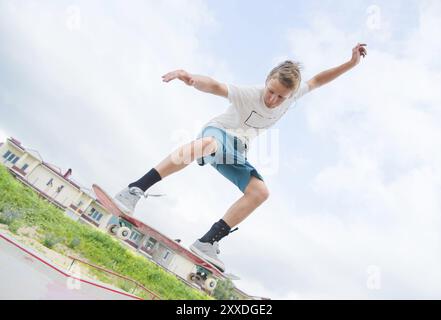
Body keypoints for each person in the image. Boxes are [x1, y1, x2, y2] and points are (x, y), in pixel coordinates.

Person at [113, 43, 368, 272]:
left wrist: (351, 63)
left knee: (260, 193)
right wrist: (191, 78)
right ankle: (133, 190)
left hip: (237, 151)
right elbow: (216, 86)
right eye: (271, 91)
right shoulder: (250, 94)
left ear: (290, 95)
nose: (272, 100)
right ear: (267, 81)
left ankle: (207, 242)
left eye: (281, 97)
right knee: (207, 144)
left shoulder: (293, 96)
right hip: (219, 133)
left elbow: (319, 80)